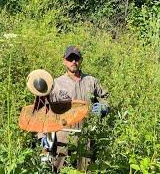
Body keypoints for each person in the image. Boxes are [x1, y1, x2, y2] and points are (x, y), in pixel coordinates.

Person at [39, 45, 109, 173]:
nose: (73, 62)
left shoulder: (91, 81)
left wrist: (104, 107)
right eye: (70, 58)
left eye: (76, 58)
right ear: (64, 60)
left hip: (86, 139)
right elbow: (46, 112)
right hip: (62, 140)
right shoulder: (56, 84)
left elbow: (106, 98)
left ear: (81, 60)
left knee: (86, 170)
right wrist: (45, 138)